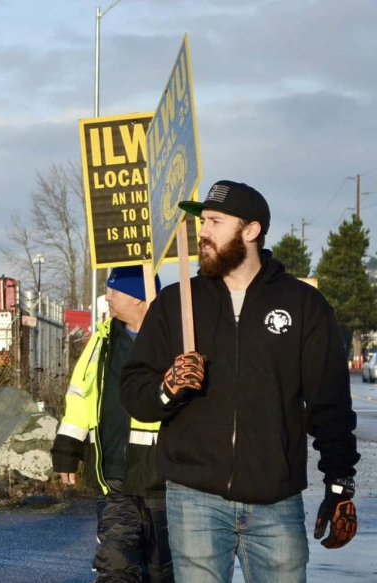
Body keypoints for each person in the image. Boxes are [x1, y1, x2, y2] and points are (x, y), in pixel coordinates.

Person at [121, 181, 360, 583]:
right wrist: (167, 388)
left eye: (215, 221)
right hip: (193, 496)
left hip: (275, 500)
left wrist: (339, 484)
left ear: (251, 231)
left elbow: (330, 403)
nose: (203, 232)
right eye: (201, 221)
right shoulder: (176, 304)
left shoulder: (303, 306)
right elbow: (133, 391)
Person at [51, 266, 172, 583]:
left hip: (166, 479)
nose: (107, 297)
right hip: (115, 477)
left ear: (140, 298)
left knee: (165, 572)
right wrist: (67, 450)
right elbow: (80, 396)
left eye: (115, 290)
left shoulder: (176, 342)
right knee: (116, 569)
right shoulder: (102, 341)